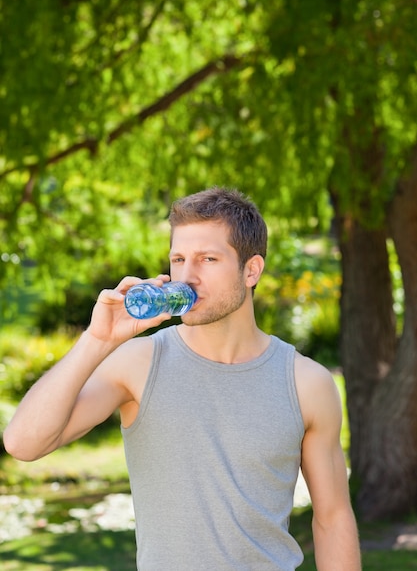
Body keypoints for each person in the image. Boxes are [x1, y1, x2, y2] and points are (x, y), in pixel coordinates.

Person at [4, 187, 362, 571]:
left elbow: (333, 518)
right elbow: (24, 443)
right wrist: (96, 341)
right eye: (179, 258)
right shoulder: (138, 363)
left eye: (208, 259)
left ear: (251, 269)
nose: (188, 276)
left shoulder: (307, 382)